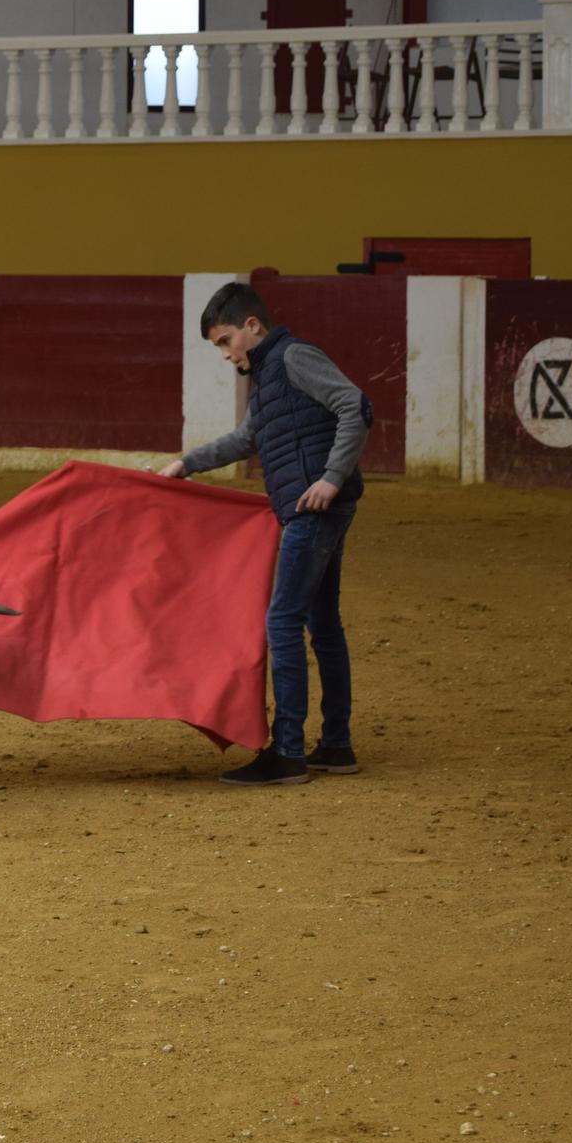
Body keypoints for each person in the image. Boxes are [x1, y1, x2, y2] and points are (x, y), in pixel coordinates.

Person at [158, 282, 374, 787]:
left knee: (282, 621)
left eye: (226, 340)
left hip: (313, 507)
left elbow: (354, 406)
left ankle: (290, 751)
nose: (225, 352)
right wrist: (188, 464)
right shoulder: (269, 374)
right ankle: (336, 746)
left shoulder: (295, 357)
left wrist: (331, 478)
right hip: (313, 506)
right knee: (322, 626)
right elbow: (247, 439)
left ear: (253, 327)